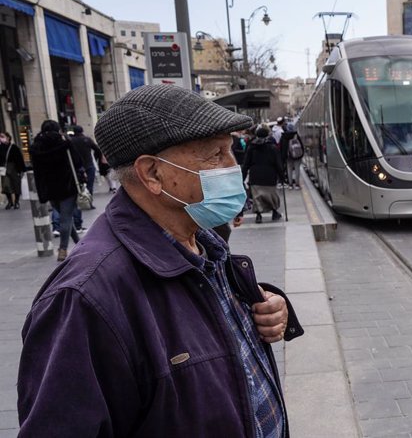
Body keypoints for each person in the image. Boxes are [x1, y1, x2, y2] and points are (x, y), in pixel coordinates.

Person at [17, 84, 303, 437]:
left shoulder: (204, 240)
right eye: (215, 155)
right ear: (152, 174)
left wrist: (263, 306)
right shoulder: (84, 297)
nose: (233, 167)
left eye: (231, 151)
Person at [29, 120, 83, 261]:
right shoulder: (64, 142)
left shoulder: (36, 146)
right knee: (66, 218)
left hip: (49, 188)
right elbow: (77, 161)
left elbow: (36, 170)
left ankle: (79, 245)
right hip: (67, 185)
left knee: (65, 217)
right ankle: (63, 249)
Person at [244, 124, 284, 223]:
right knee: (271, 195)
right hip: (270, 176)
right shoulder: (273, 147)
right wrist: (282, 176)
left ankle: (258, 215)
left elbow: (246, 164)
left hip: (255, 175)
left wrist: (243, 176)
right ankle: (274, 212)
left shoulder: (251, 147)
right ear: (267, 135)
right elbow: (278, 163)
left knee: (257, 197)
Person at [69, 125, 102, 204]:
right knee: (89, 185)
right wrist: (96, 158)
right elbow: (97, 149)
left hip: (76, 166)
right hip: (89, 164)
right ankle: (89, 201)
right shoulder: (87, 140)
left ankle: (79, 201)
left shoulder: (71, 141)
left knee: (78, 185)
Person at [0, 131, 26, 209]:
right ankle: (10, 202)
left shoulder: (14, 147)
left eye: (2, 136)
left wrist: (22, 170)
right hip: (4, 169)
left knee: (16, 185)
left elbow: (19, 159)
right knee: (6, 186)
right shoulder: (0, 148)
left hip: (14, 168)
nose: (1, 138)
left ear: (8, 137)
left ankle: (16, 201)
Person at [279, 123, 304, 189]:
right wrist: (302, 154)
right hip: (297, 155)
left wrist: (282, 157)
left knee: (289, 170)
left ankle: (290, 185)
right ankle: (297, 185)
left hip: (288, 156)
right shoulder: (296, 135)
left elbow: (281, 147)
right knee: (297, 169)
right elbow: (301, 145)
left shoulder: (284, 136)